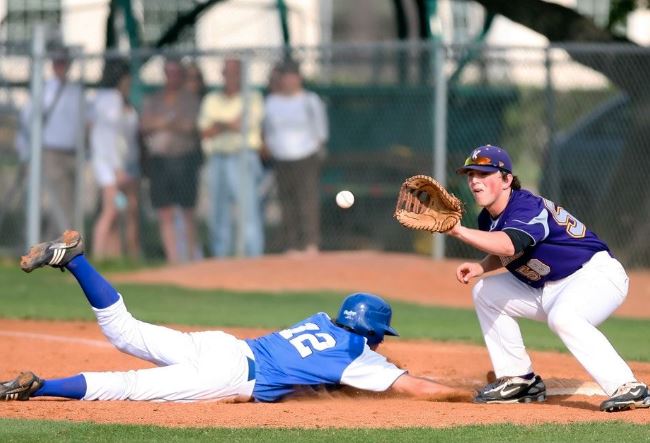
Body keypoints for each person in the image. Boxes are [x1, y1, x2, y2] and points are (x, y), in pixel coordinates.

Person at [1, 230, 468, 404]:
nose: (380, 344)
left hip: (223, 345)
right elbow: (415, 387)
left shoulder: (322, 320)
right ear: (369, 332)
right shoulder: (358, 356)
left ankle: (76, 260)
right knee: (128, 387)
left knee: (124, 331)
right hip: (230, 374)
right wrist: (470, 397)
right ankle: (41, 387)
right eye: (379, 336)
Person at [447, 144, 650, 412]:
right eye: (470, 175)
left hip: (594, 275)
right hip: (548, 287)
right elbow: (509, 250)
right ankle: (520, 380)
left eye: (484, 174)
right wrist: (482, 267)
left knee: (564, 317)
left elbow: (510, 244)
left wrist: (459, 231)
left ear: (507, 179)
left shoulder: (526, 207)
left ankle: (629, 387)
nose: (474, 181)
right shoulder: (489, 217)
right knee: (485, 291)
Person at [16, 44, 85, 239]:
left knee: (69, 203)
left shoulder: (75, 91)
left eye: (64, 62)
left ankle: (55, 244)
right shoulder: (44, 91)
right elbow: (26, 121)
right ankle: (54, 245)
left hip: (73, 153)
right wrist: (25, 152)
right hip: (51, 153)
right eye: (58, 62)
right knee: (58, 203)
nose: (61, 66)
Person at [198, 58, 265, 258]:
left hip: (243, 157)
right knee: (218, 212)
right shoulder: (211, 99)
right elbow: (205, 131)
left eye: (235, 72)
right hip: (217, 158)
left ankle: (253, 257)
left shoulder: (252, 97)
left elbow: (243, 126)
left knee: (248, 211)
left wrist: (219, 124)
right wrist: (228, 124)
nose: (230, 76)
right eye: (226, 72)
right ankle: (221, 258)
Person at [262, 61, 328, 255]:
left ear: (299, 78)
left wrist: (315, 149)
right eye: (285, 76)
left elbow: (320, 131)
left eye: (293, 76)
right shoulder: (272, 102)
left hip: (306, 155)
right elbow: (267, 130)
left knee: (307, 200)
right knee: (286, 201)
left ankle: (310, 243)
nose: (289, 80)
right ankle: (291, 244)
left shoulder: (310, 100)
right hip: (281, 157)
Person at [140, 58, 201, 263]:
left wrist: (161, 123)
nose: (172, 77)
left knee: (187, 211)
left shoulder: (190, 99)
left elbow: (189, 126)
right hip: (160, 162)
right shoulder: (155, 98)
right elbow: (145, 125)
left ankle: (191, 258)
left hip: (184, 160)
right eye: (169, 72)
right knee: (164, 211)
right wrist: (170, 121)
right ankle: (173, 259)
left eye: (176, 73)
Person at [90, 58, 141, 260]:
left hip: (122, 164)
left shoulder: (116, 99)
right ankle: (99, 255)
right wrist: (118, 169)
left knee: (124, 210)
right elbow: (110, 138)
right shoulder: (110, 100)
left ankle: (117, 255)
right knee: (111, 210)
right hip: (110, 166)